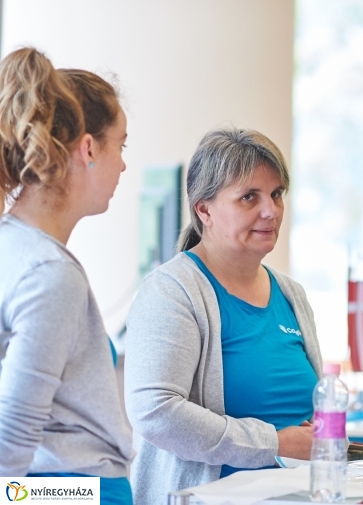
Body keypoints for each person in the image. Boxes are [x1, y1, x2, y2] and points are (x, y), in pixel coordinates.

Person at [124, 128, 323, 504]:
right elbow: (155, 412)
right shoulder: (172, 291)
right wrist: (274, 442)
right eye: (250, 197)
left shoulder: (292, 294)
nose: (271, 210)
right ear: (204, 209)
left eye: (276, 194)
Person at [0, 48, 134, 503]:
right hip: (78, 489)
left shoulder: (12, 247)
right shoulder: (50, 275)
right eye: (122, 145)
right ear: (89, 148)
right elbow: (9, 449)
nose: (123, 164)